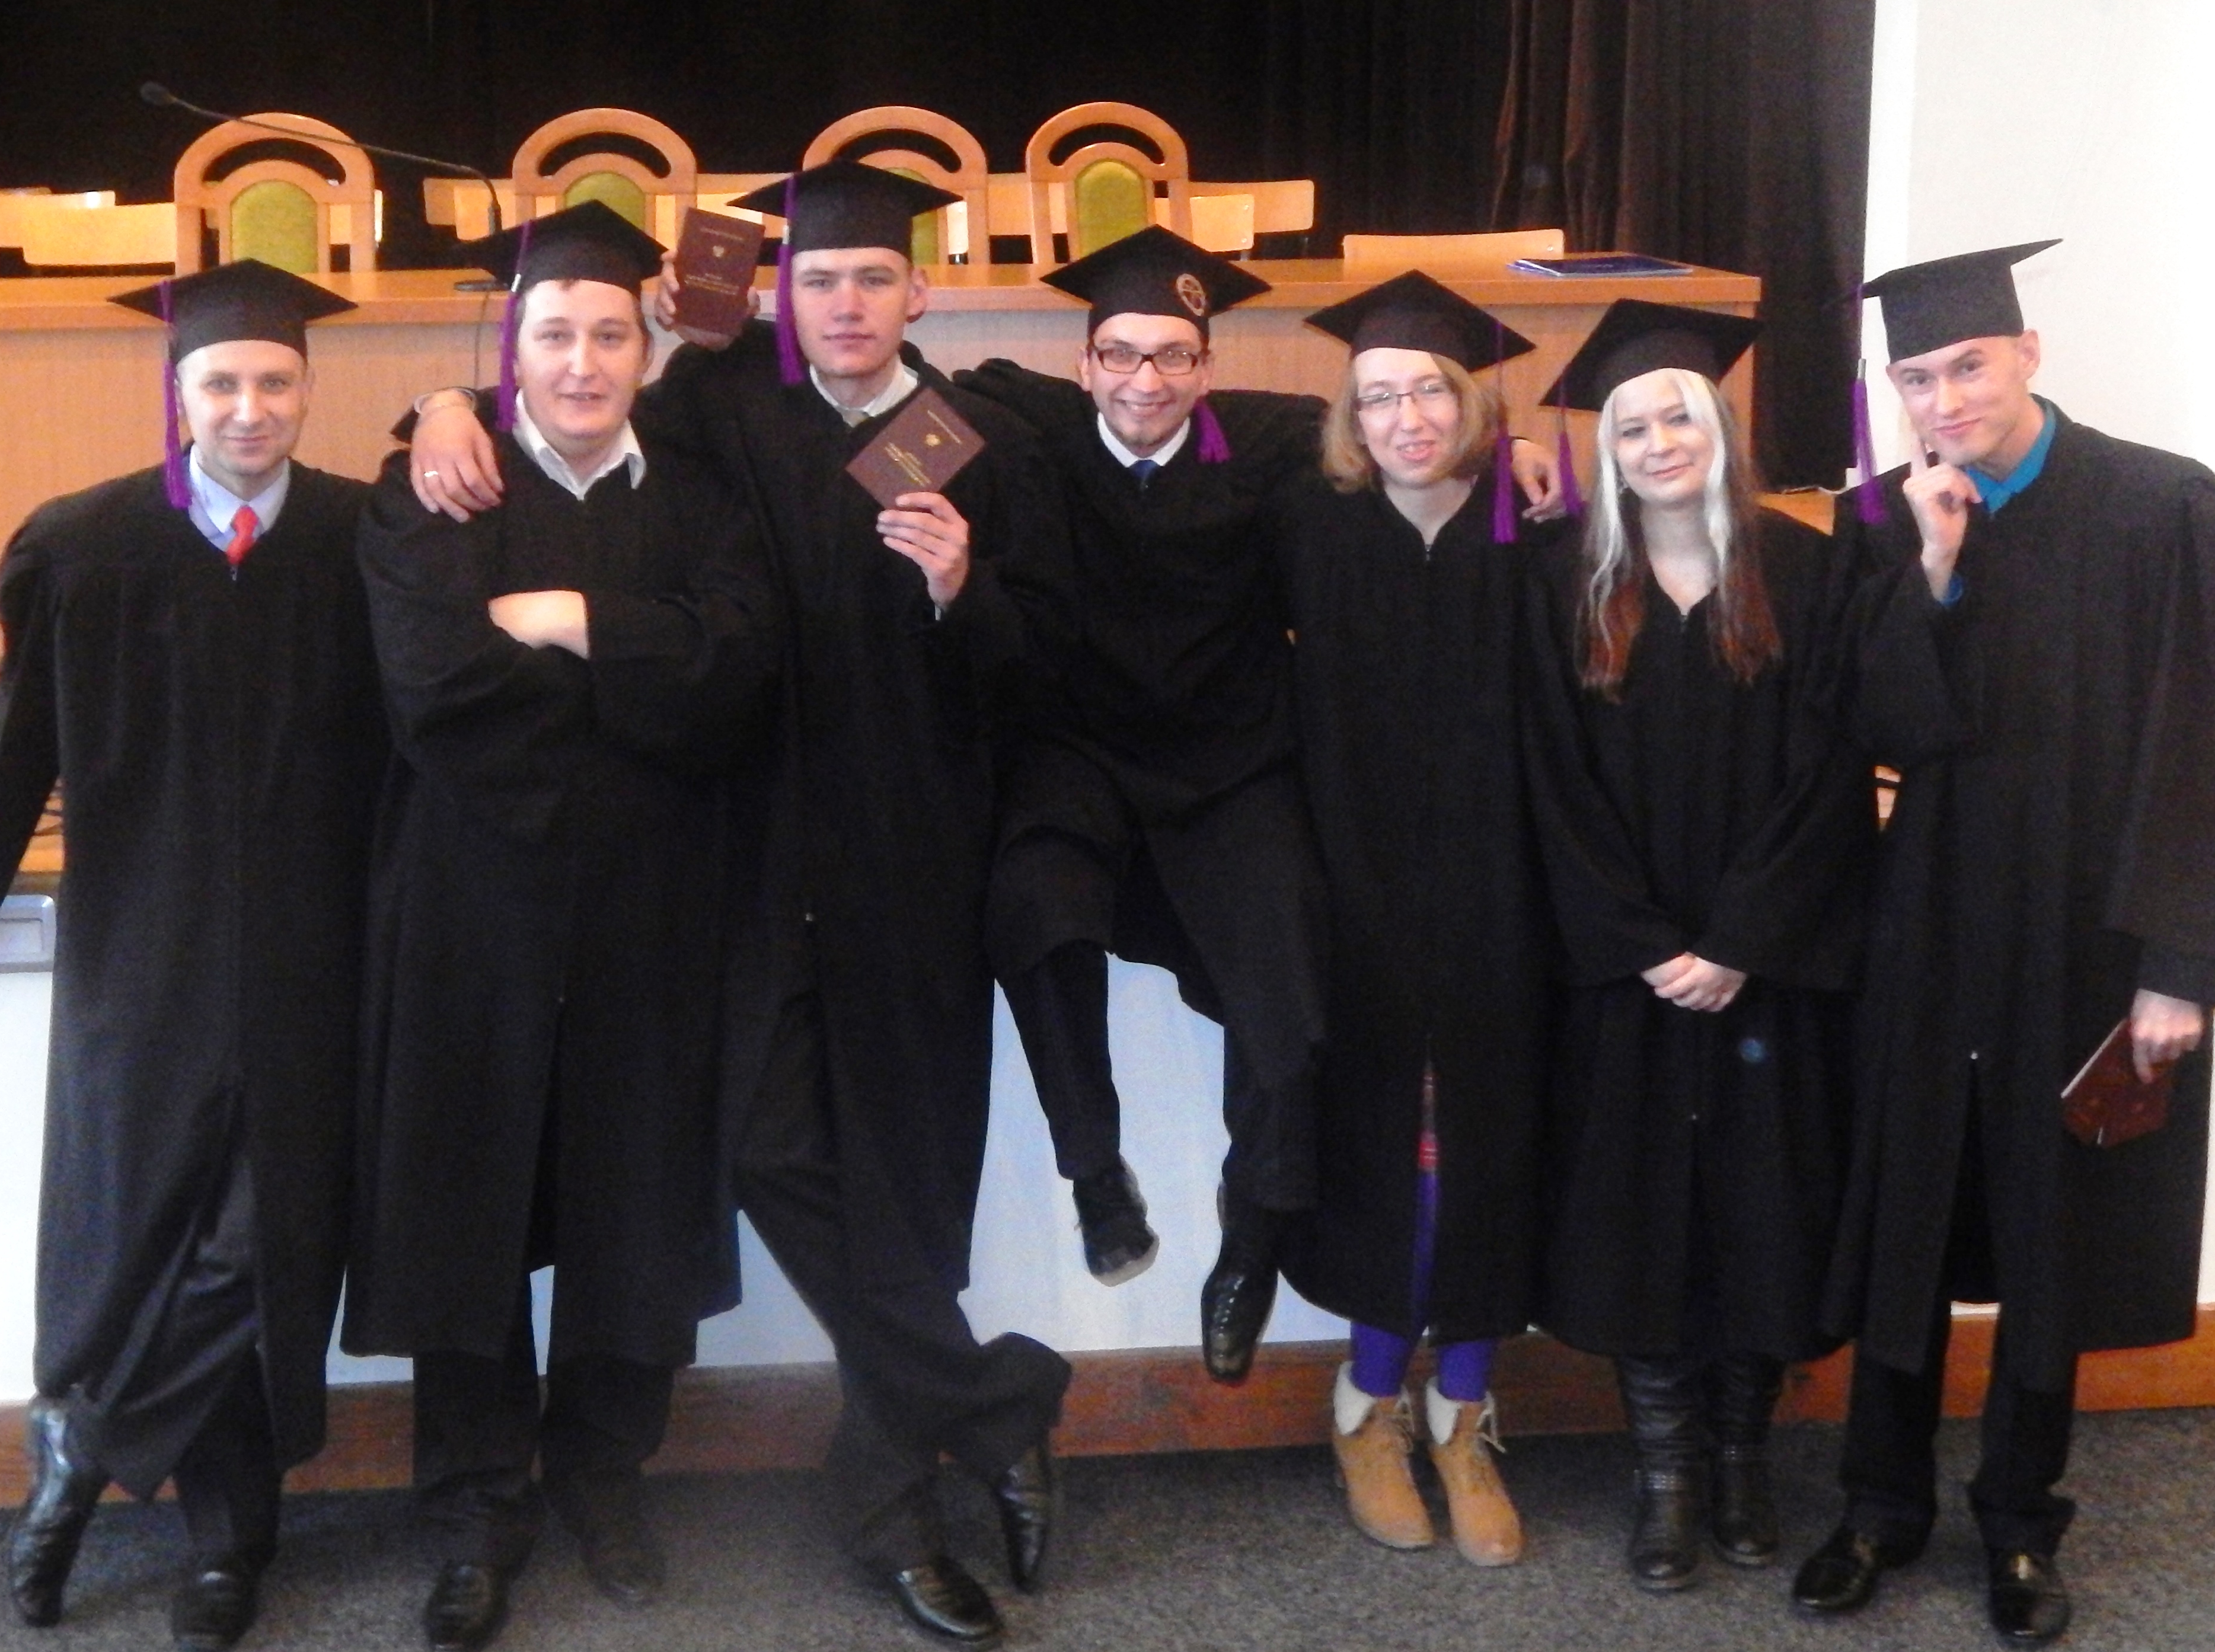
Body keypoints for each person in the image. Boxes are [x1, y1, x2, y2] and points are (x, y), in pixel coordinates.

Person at [406, 161, 1073, 1648]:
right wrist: (439, 402)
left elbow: (1041, 672)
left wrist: (964, 591)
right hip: (748, 859)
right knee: (764, 1148)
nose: (846, 303)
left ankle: (897, 1513)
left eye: (874, 278)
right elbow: (563, 397)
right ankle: (993, 1402)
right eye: (818, 278)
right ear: (783, 291)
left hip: (910, 864)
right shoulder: (722, 410)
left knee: (905, 1197)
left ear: (922, 291)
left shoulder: (971, 442)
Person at [0, 260, 386, 1652]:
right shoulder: (87, 546)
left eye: (276, 382)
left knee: (268, 1238)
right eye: (223, 382)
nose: (251, 407)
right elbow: (15, 733)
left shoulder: (361, 537)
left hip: (318, 951)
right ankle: (188, 1523)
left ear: (308, 391)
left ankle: (114, 1464)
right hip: (143, 948)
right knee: (142, 1225)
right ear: (178, 392)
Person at [1796, 242, 2215, 1645]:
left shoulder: (2161, 503)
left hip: (2085, 932)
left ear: (2029, 354)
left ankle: (2018, 1521)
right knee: (1906, 1215)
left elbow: (2204, 742)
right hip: (1927, 924)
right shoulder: (1879, 519)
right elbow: (1875, 730)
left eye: (1970, 366)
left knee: (2055, 1235)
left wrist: (2178, 963)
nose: (1946, 401)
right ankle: (1877, 1507)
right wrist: (1933, 567)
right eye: (1917, 378)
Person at [344, 206, 776, 1652]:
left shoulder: (704, 496)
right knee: (464, 1201)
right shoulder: (432, 488)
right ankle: (475, 1509)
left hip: (657, 911)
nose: (582, 362)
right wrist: (642, 681)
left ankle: (602, 1474)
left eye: (607, 335)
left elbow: (741, 671)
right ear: (511, 349)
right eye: (553, 336)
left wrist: (575, 619)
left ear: (646, 350)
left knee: (635, 1194)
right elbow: (438, 690)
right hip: (474, 905)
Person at [1520, 301, 1872, 1593]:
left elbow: (1833, 768)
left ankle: (1740, 1458)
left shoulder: (1810, 572)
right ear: (1605, 449)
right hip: (1626, 971)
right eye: (1632, 426)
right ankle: (1664, 1474)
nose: (1659, 441)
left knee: (1763, 1210)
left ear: (1721, 428)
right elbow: (1548, 779)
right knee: (1638, 1220)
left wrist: (1740, 940)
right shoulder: (1563, 583)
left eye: (1680, 416)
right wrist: (1642, 941)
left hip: (1767, 965)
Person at [950, 226, 1328, 1376]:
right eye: (1119, 354)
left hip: (1228, 761)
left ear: (1208, 367)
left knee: (1292, 984)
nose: (1144, 381)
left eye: (1173, 356)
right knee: (1029, 905)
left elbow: (1413, 433)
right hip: (1082, 752)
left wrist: (1524, 464)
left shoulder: (1273, 438)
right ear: (1084, 364)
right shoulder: (1031, 427)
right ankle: (1096, 1174)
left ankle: (1253, 1230)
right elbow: (899, 425)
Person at [1268, 272, 1557, 1568]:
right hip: (1361, 894)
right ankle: (1366, 1403)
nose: (1405, 417)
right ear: (1348, 416)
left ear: (1474, 402)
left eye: (1432, 389)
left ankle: (1464, 1415)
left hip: (1510, 892)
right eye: (1377, 396)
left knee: (1494, 1145)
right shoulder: (1309, 526)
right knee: (1398, 1150)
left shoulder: (1541, 530)